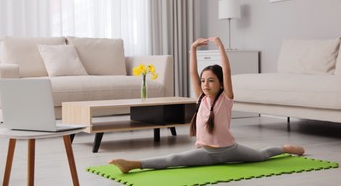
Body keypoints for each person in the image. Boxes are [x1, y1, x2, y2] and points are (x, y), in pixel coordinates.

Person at [109, 37, 304, 173]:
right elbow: (192, 72)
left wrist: (220, 46)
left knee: (262, 156)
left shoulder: (226, 99)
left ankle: (285, 148)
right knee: (172, 160)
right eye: (204, 81)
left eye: (211, 81)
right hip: (205, 153)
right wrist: (193, 49)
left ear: (220, 83)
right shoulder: (201, 98)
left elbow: (227, 69)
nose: (205, 84)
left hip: (230, 150)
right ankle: (132, 164)